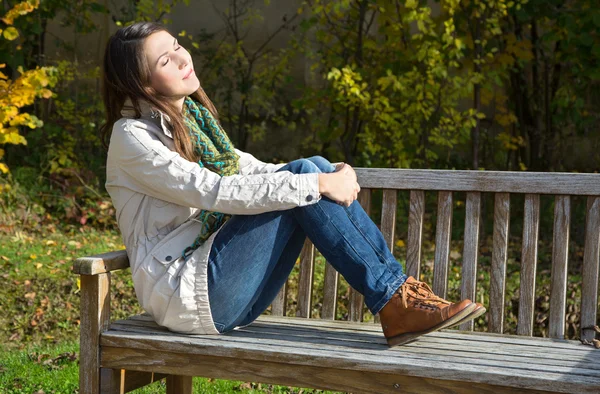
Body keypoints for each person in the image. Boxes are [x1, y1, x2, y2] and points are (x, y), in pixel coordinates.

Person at [100, 21, 485, 347]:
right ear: (144, 85)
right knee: (305, 176)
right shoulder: (133, 137)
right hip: (189, 296)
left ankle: (396, 300)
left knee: (306, 170)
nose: (183, 59)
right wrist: (317, 181)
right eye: (166, 60)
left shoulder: (193, 123)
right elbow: (216, 191)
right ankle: (394, 302)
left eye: (178, 46)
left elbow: (253, 171)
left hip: (227, 292)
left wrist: (329, 173)